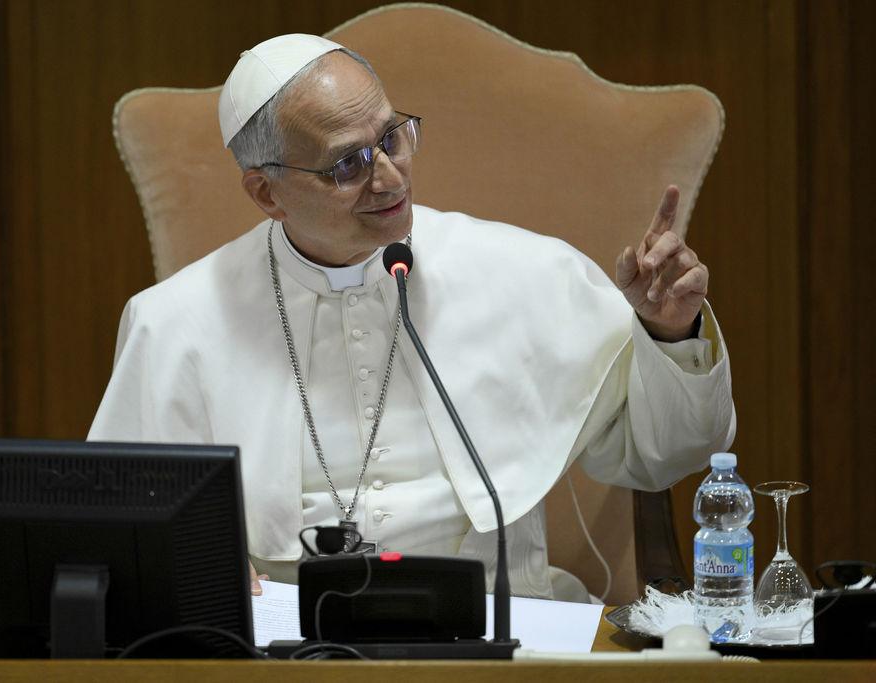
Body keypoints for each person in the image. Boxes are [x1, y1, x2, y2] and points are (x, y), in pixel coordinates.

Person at [89, 34, 734, 601]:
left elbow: (666, 456)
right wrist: (192, 562)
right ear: (267, 192)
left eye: (391, 138)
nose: (391, 179)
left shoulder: (526, 274)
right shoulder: (175, 324)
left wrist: (669, 334)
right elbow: (121, 531)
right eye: (347, 164)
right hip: (287, 647)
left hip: (499, 625)